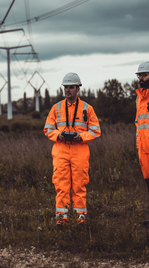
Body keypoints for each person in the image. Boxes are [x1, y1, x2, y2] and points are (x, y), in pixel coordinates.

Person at [44, 72, 101, 226]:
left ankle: (80, 220)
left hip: (80, 151)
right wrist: (59, 135)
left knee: (79, 186)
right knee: (61, 186)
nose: (67, 90)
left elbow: (95, 130)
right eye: (66, 87)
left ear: (78, 89)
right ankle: (62, 221)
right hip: (61, 150)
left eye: (71, 87)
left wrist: (81, 137)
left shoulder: (87, 109)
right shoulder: (56, 108)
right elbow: (48, 129)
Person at [134, 61, 149, 225]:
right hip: (143, 149)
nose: (141, 78)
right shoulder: (139, 98)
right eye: (140, 75)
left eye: (144, 75)